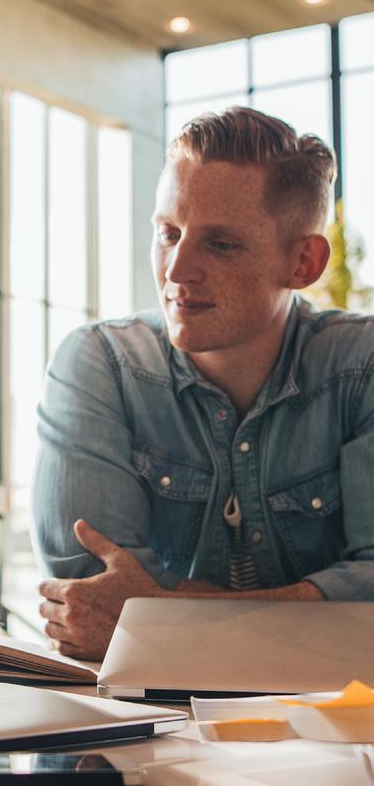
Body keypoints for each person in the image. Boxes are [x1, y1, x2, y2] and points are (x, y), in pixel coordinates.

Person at [33, 106, 374, 660]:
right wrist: (315, 617)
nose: (176, 270)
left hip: (333, 730)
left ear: (304, 262)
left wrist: (160, 623)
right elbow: (89, 600)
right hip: (145, 727)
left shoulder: (361, 367)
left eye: (221, 244)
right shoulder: (101, 363)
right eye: (169, 233)